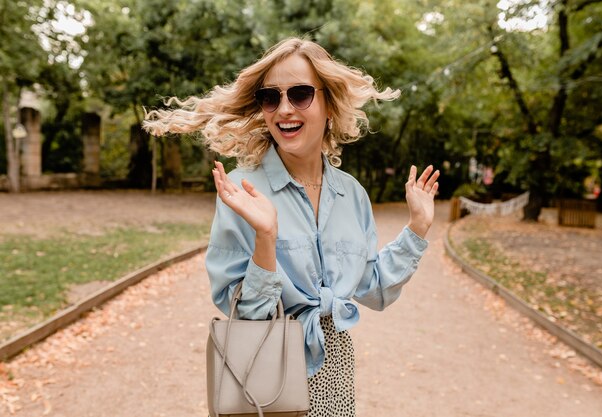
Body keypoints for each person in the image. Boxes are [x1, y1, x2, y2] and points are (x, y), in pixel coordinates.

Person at [144, 37, 439, 417]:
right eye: (271, 97)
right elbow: (245, 312)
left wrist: (417, 228)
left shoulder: (352, 194)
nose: (284, 109)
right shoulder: (243, 190)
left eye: (300, 94)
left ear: (329, 103)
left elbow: (373, 289)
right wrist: (266, 238)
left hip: (334, 369)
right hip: (266, 370)